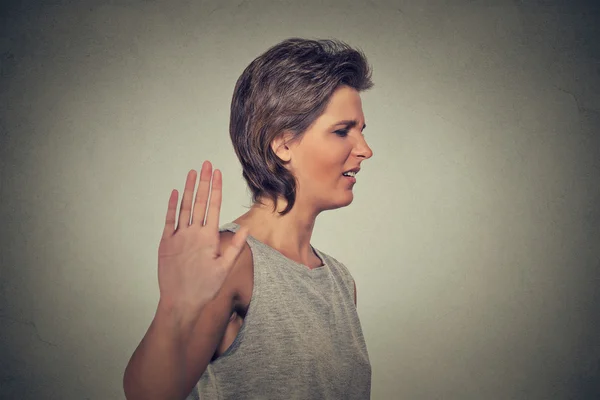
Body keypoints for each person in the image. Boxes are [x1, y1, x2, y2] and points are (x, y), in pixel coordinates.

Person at [123, 37, 375, 400]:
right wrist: (174, 309)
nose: (365, 150)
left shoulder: (339, 281)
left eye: (362, 131)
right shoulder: (232, 261)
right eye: (342, 131)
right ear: (283, 143)